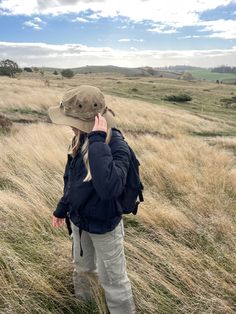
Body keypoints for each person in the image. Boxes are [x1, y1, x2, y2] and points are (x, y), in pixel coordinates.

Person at [48, 85, 136, 314]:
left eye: (71, 119)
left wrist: (97, 142)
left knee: (114, 282)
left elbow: (109, 188)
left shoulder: (116, 146)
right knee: (83, 268)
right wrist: (62, 208)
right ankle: (85, 306)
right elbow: (73, 182)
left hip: (105, 226)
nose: (68, 124)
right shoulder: (79, 139)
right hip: (80, 222)